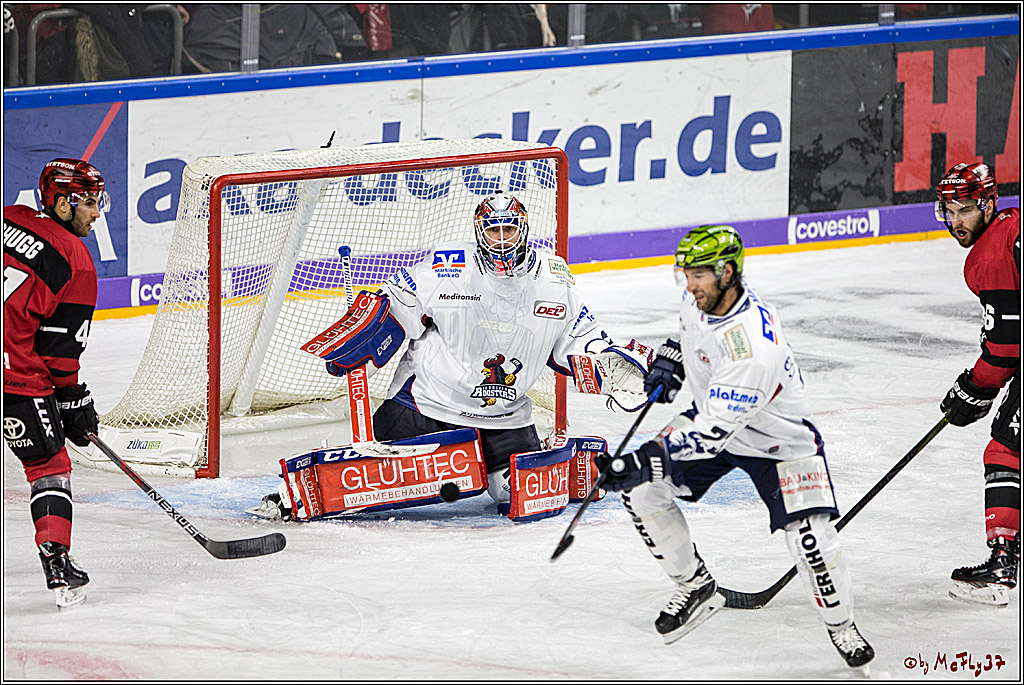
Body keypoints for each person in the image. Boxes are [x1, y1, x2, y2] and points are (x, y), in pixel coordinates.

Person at [251, 190, 651, 519]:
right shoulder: (447, 266)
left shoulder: (554, 277)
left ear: (524, 229)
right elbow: (395, 306)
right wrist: (367, 334)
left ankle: (566, 464)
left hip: (505, 417)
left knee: (519, 498)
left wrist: (606, 361)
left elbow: (578, 337)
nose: (502, 240)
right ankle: (293, 496)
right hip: (425, 405)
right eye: (493, 231)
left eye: (509, 229)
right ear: (479, 233)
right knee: (375, 486)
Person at [594, 225, 874, 669]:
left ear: (727, 271)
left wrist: (642, 460)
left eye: (699, 274)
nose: (690, 284)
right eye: (686, 273)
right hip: (719, 419)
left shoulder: (752, 349)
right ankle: (695, 586)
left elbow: (709, 434)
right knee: (643, 490)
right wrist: (672, 359)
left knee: (810, 543)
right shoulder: (704, 295)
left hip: (781, 442)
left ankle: (842, 625)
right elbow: (694, 334)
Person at [3, 158, 106, 608]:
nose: (97, 213)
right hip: (15, 377)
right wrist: (73, 401)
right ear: (63, 203)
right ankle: (58, 567)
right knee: (49, 466)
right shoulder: (76, 261)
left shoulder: (9, 216)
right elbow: (59, 354)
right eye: (89, 203)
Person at [934, 161, 1020, 607]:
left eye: (965, 209)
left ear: (988, 204)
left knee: (1006, 450)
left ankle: (1002, 565)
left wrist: (975, 387)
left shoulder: (991, 254)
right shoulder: (1013, 226)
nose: (956, 221)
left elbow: (1007, 346)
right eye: (948, 210)